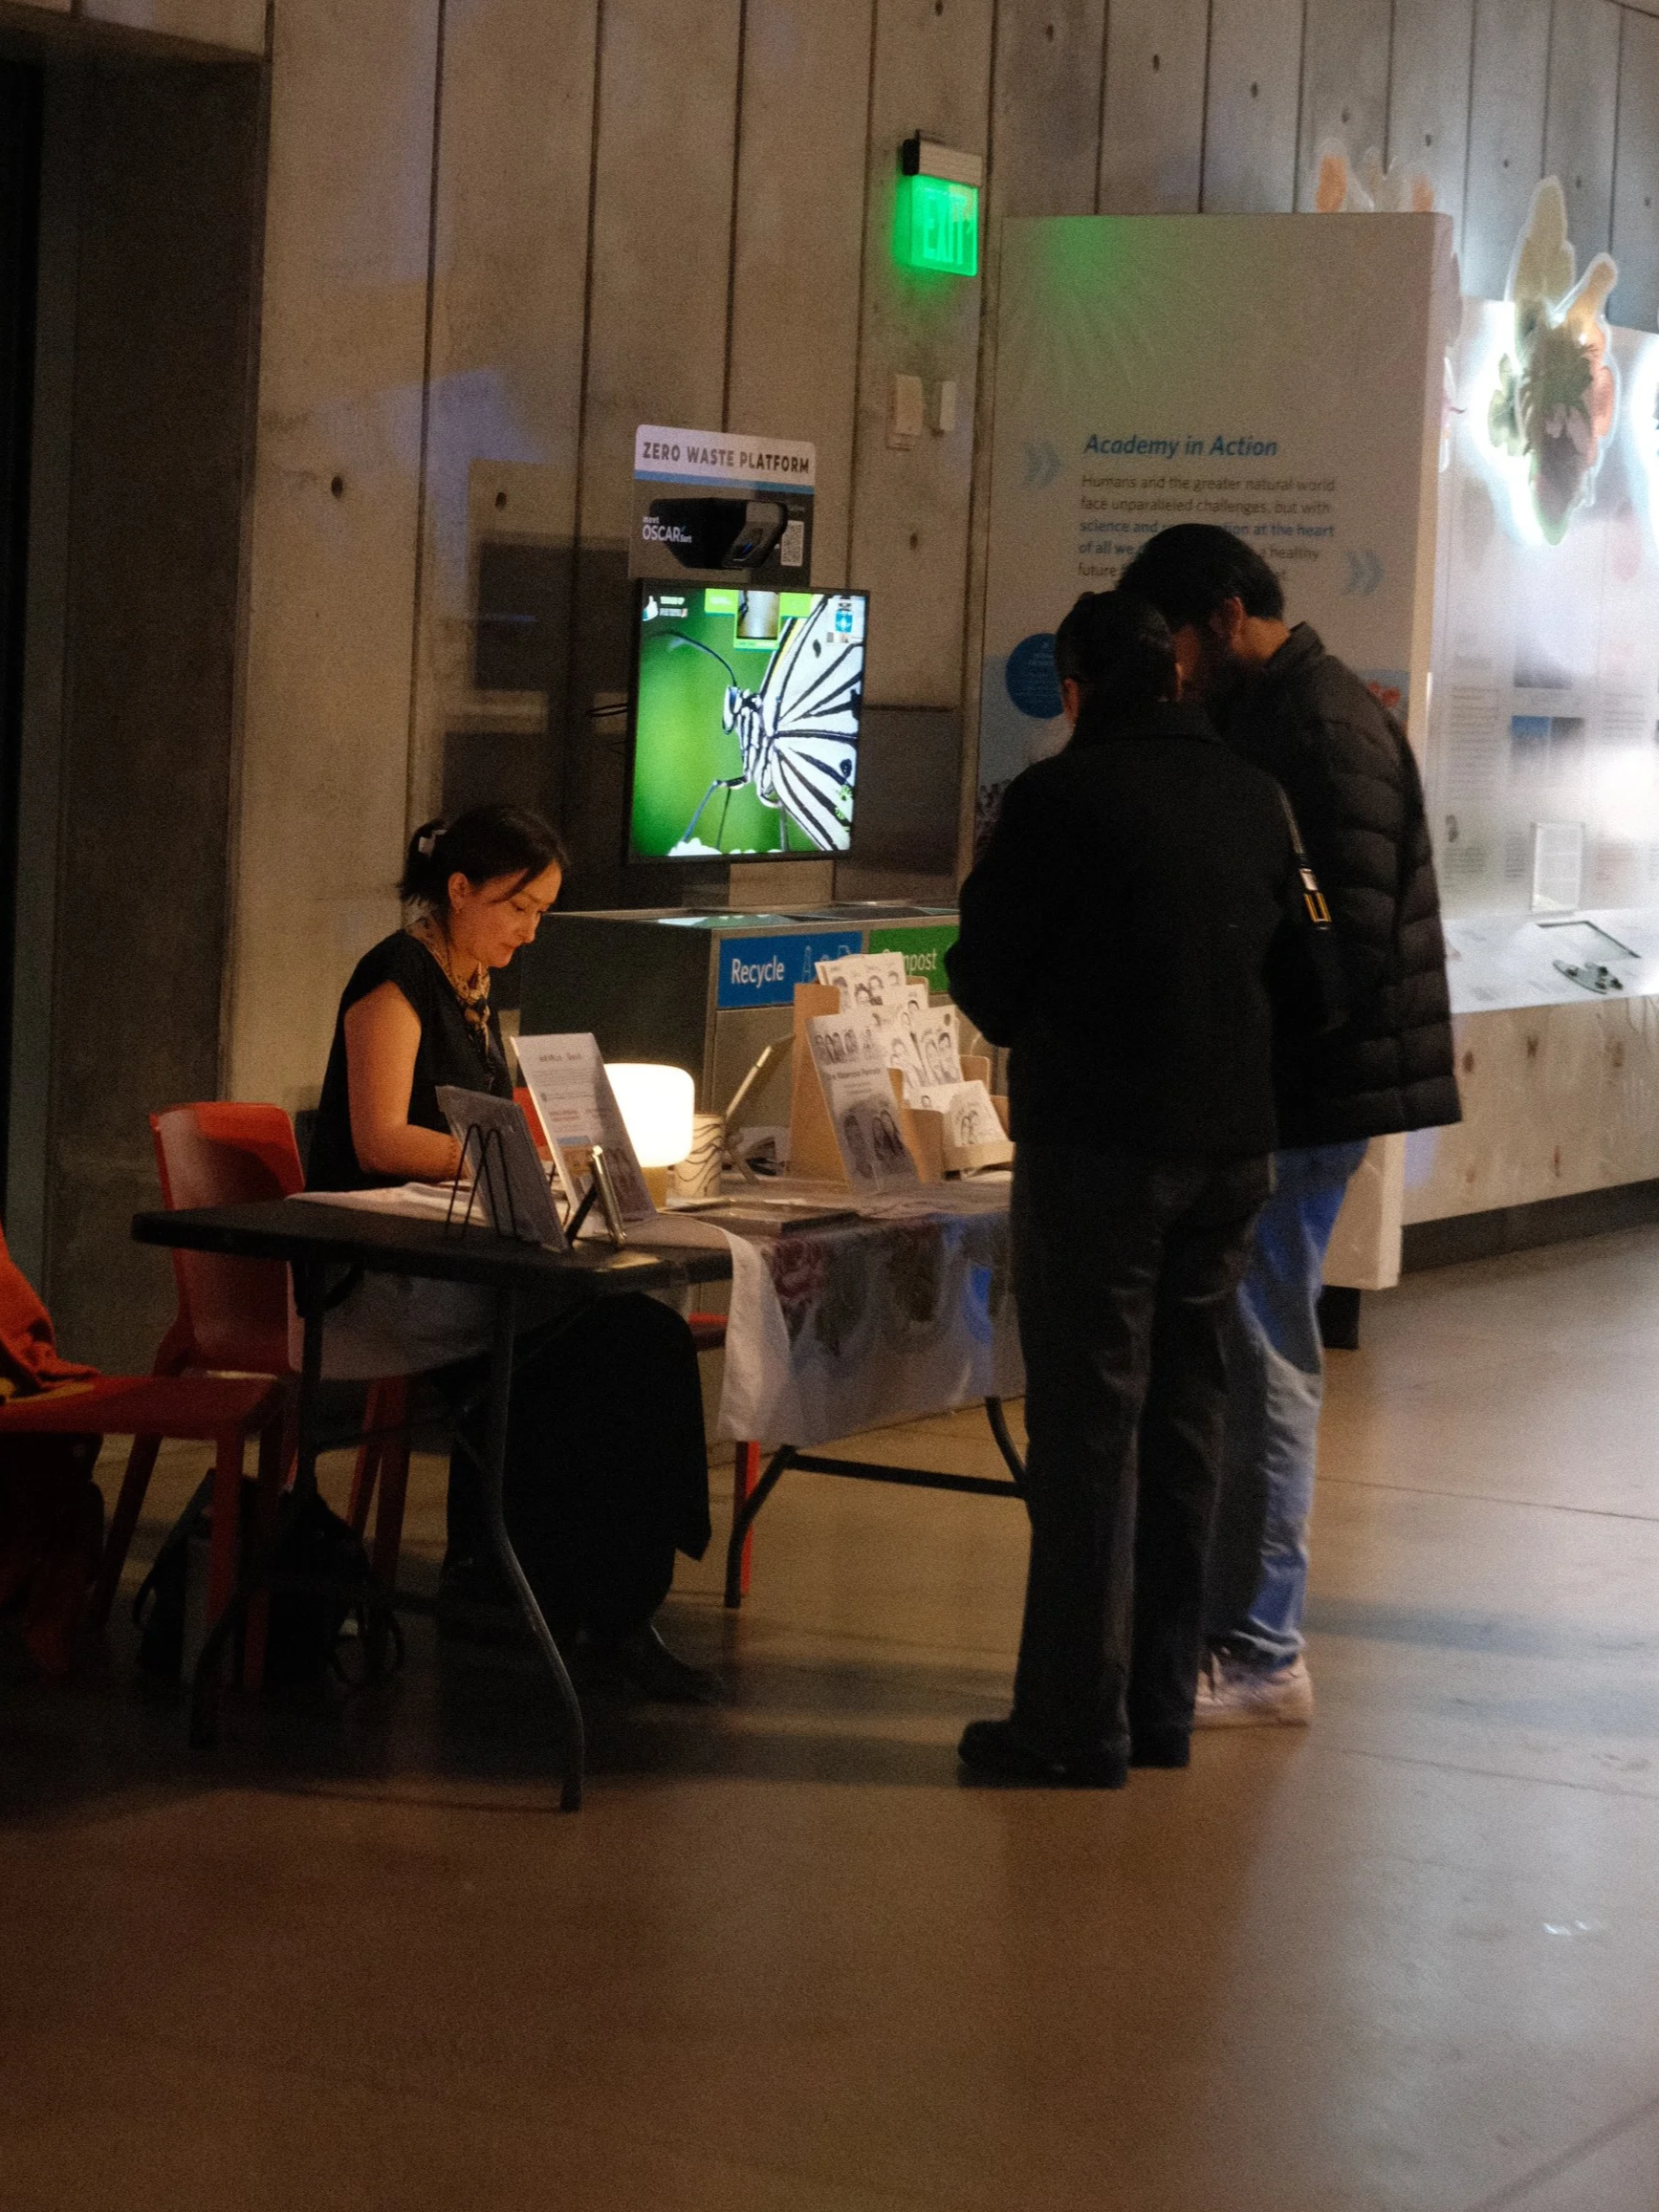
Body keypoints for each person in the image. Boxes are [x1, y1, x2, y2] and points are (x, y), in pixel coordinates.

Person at [945, 592, 1338, 1786]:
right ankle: (1162, 1708)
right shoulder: (1255, 793)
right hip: (1234, 1153)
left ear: (1073, 689)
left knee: (1087, 1435)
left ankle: (1071, 1724)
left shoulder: (1056, 800)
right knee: (1184, 1423)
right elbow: (1318, 982)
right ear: (1172, 675)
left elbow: (990, 986)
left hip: (1102, 1155)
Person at [1118, 526, 1458, 1726]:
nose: (1172, 671)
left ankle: (1260, 1647)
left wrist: (1230, 1034)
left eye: (1176, 643)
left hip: (1305, 1099)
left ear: (1220, 616)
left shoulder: (1314, 731)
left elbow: (1342, 954)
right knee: (1247, 1353)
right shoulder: (1285, 714)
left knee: (1263, 1362)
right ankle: (1229, 1630)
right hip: (1295, 1093)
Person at [307, 803, 713, 1699]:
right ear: (458, 891)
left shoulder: (471, 983)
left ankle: (599, 1597)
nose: (529, 932)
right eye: (517, 908)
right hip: (385, 1266)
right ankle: (574, 1596)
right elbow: (379, 1138)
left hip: (466, 1251)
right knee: (612, 1350)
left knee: (636, 1332)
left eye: (539, 912)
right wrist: (513, 1161)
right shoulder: (396, 978)